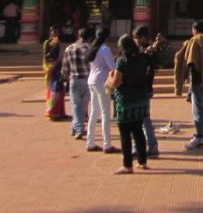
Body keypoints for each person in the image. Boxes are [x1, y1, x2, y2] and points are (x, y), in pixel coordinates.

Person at [107, 34, 151, 175]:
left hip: (126, 100)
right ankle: (142, 161)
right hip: (140, 98)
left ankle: (127, 165)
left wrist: (110, 76)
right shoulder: (142, 58)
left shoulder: (122, 61)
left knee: (125, 134)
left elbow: (116, 82)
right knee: (138, 131)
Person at [182, 19, 203, 149]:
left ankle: (199, 136)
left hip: (198, 81)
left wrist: (189, 77)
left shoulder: (195, 41)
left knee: (198, 111)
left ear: (195, 29)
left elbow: (191, 62)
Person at [85, 26, 119, 154]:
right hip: (102, 82)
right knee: (105, 113)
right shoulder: (105, 49)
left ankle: (90, 142)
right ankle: (107, 144)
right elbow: (112, 67)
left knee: (94, 112)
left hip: (92, 81)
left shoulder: (93, 48)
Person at [132, 25, 159, 158]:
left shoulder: (149, 52)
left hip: (143, 88)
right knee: (141, 118)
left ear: (144, 37)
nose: (136, 40)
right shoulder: (140, 51)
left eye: (138, 37)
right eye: (135, 38)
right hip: (139, 88)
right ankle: (144, 145)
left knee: (142, 118)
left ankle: (149, 145)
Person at [61, 27, 91, 139]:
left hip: (73, 79)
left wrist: (64, 78)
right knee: (83, 105)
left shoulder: (69, 48)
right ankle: (79, 128)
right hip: (87, 79)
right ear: (89, 37)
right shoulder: (89, 49)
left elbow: (65, 66)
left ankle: (76, 127)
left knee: (75, 105)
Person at [43, 26, 66, 120]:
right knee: (53, 89)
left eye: (56, 33)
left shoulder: (59, 43)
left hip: (58, 68)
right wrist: (50, 67)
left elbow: (60, 56)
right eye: (53, 33)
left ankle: (59, 112)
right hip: (50, 67)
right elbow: (46, 56)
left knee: (60, 89)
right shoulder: (47, 43)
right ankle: (51, 111)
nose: (55, 35)